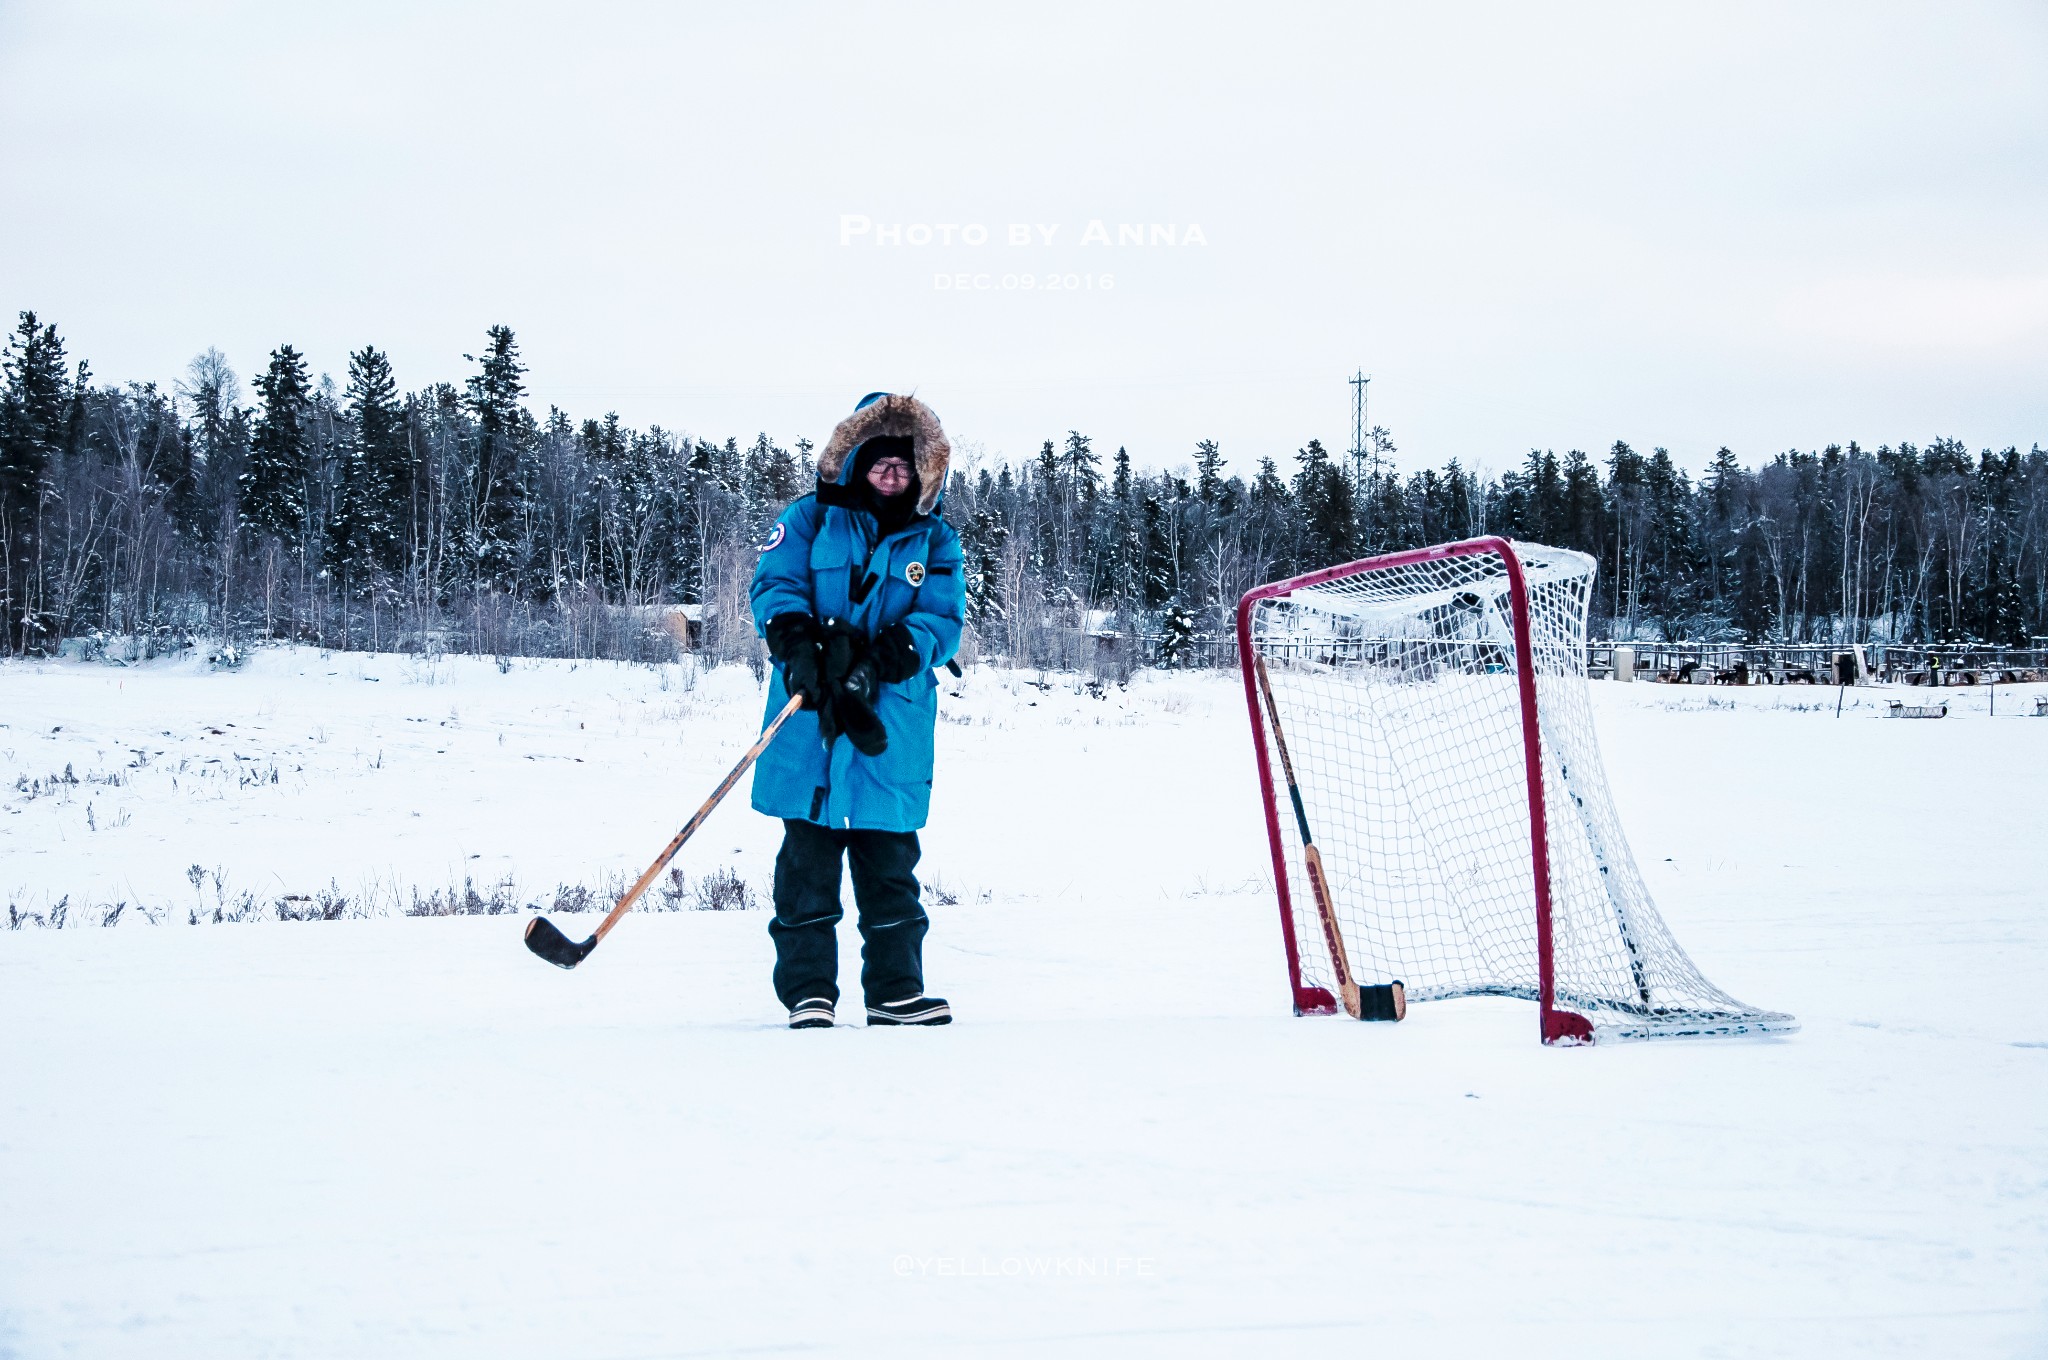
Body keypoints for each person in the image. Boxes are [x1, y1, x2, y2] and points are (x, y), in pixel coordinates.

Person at [747, 392, 965, 1030]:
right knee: (806, 861)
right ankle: (809, 993)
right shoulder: (809, 517)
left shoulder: (938, 539)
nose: (892, 476)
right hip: (810, 709)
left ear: (922, 472)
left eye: (904, 467)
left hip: (888, 720)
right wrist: (796, 644)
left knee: (890, 866)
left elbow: (942, 621)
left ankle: (895, 993)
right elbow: (776, 583)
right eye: (881, 465)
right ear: (856, 463)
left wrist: (887, 657)